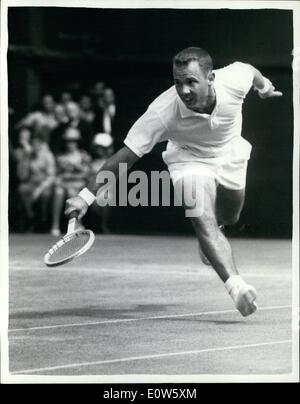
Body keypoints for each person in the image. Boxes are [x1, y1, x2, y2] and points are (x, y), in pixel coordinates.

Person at [65, 47, 282, 317]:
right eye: (178, 82)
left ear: (211, 78)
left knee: (230, 215)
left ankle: (214, 237)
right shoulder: (162, 112)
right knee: (203, 218)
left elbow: (251, 71)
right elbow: (125, 157)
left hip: (230, 152)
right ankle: (236, 287)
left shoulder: (234, 80)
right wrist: (85, 196)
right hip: (188, 160)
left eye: (191, 82)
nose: (184, 90)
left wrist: (264, 87)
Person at [50, 127, 91, 236]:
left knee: (72, 192)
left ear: (78, 141)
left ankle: (78, 223)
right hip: (64, 185)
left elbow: (87, 174)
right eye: (68, 141)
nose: (70, 143)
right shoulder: (60, 157)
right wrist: (65, 176)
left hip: (79, 185)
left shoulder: (83, 155)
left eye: (73, 140)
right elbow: (56, 175)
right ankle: (55, 225)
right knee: (58, 191)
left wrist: (77, 167)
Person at [15, 131, 56, 231]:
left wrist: (39, 190)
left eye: (37, 143)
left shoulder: (48, 155)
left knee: (45, 195)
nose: (35, 145)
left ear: (41, 144)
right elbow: (21, 176)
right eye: (33, 143)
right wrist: (25, 158)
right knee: (22, 189)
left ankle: (43, 219)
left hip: (45, 184)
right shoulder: (29, 155)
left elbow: (51, 176)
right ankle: (31, 216)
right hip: (32, 183)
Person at [88, 133, 114, 233]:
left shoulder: (112, 161)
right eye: (99, 148)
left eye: (104, 148)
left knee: (104, 197)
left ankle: (103, 225)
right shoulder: (88, 161)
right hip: (89, 189)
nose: (101, 151)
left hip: (105, 190)